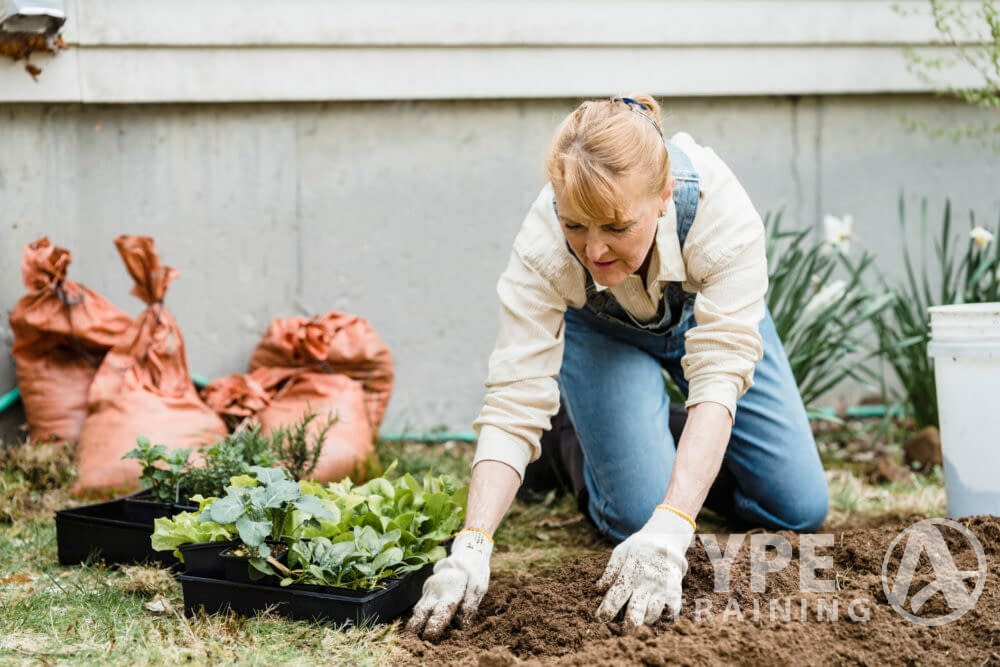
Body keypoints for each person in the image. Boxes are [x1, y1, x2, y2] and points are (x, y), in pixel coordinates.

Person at [407, 94, 829, 639]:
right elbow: (514, 398)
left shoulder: (720, 213)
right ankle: (569, 440)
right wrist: (473, 544)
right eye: (576, 226)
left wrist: (676, 523)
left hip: (707, 323)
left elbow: (720, 375)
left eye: (615, 225)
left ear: (662, 195)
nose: (595, 249)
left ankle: (641, 432)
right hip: (601, 334)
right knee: (635, 517)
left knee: (797, 507)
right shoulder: (543, 248)